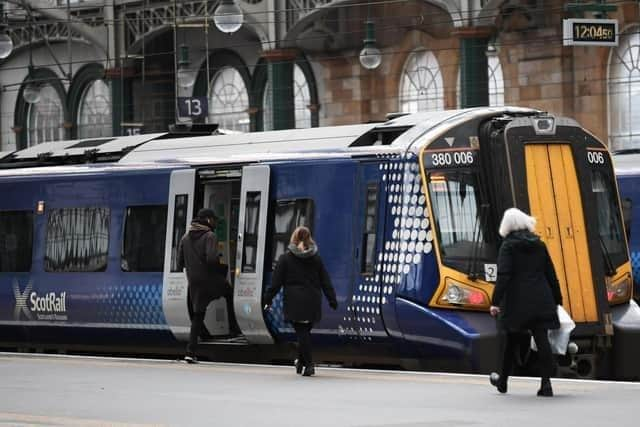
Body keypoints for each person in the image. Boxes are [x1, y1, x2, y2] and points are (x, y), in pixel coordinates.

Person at [489, 207, 563, 397]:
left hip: (517, 302)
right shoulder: (539, 244)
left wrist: (495, 302)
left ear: (506, 225)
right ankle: (546, 385)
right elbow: (551, 274)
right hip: (541, 298)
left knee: (511, 340)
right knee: (542, 338)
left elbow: (504, 276)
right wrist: (557, 299)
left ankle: (503, 381)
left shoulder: (508, 246)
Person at [264, 226, 338, 376]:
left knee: (302, 333)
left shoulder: (285, 258)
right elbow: (325, 281)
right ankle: (300, 361)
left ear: (293, 238)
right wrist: (332, 299)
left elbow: (276, 283)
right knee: (304, 333)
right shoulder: (316, 258)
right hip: (312, 301)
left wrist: (267, 299)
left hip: (294, 302)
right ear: (309, 238)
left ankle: (309, 365)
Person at [177, 208, 240, 363]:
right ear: (208, 220)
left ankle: (190, 352)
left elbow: (180, 262)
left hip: (193, 281)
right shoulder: (210, 236)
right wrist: (221, 264)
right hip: (209, 279)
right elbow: (212, 259)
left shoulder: (185, 237)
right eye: (214, 220)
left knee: (198, 314)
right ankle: (234, 328)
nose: (216, 223)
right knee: (229, 293)